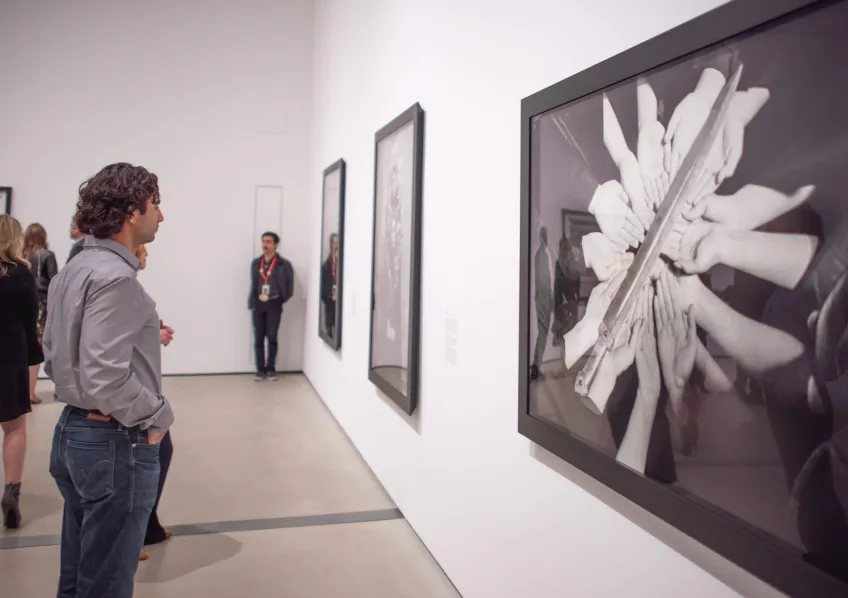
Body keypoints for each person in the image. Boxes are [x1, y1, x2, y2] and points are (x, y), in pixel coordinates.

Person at [43, 162, 172, 598]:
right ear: (132, 212)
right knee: (106, 585)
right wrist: (157, 415)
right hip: (114, 443)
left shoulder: (71, 271)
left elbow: (53, 356)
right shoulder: (116, 279)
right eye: (155, 203)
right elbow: (104, 375)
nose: (162, 215)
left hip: (73, 433)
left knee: (78, 577)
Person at [0, 215, 44, 529]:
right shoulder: (21, 274)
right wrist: (33, 355)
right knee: (14, 429)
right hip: (10, 356)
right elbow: (31, 322)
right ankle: (11, 492)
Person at [134, 244, 175, 562]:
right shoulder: (122, 287)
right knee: (151, 456)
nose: (147, 256)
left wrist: (155, 332)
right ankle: (136, 532)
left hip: (143, 390)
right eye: (144, 252)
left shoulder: (130, 287)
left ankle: (148, 524)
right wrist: (154, 337)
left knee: (161, 451)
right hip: (135, 394)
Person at [248, 232, 294, 381]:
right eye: (263, 241)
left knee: (272, 336)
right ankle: (260, 370)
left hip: (274, 303)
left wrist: (280, 299)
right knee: (258, 338)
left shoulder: (283, 264)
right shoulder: (256, 263)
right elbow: (254, 284)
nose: (265, 245)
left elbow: (289, 287)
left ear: (275, 244)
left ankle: (271, 369)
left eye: (268, 242)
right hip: (258, 303)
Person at [23, 223, 58, 405]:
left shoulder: (21, 256)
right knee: (35, 348)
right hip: (42, 304)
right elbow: (54, 282)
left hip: (23, 303)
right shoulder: (47, 255)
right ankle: (29, 392)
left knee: (22, 346)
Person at [530, 226, 554, 381]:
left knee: (543, 334)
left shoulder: (542, 254)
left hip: (543, 299)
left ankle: (536, 367)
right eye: (544, 235)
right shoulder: (542, 255)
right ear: (542, 237)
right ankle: (536, 369)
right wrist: (549, 302)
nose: (546, 237)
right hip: (543, 299)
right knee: (543, 334)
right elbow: (544, 282)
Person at [320, 233, 339, 340]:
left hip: (340, 302)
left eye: (338, 243)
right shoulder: (326, 265)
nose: (336, 245)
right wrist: (328, 297)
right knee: (329, 327)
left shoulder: (343, 263)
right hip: (329, 301)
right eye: (334, 243)